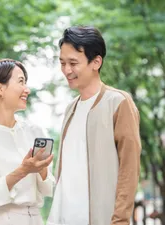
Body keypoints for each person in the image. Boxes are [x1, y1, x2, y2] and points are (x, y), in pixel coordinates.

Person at [47, 26, 141, 225]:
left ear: (96, 62)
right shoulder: (70, 110)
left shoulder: (118, 103)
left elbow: (129, 168)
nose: (66, 70)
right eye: (62, 63)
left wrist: (120, 220)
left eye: (73, 63)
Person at [0, 59, 54, 225]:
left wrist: (40, 169)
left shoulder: (35, 132)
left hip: (34, 219)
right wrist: (23, 170)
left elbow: (50, 188)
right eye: (21, 81)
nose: (27, 89)